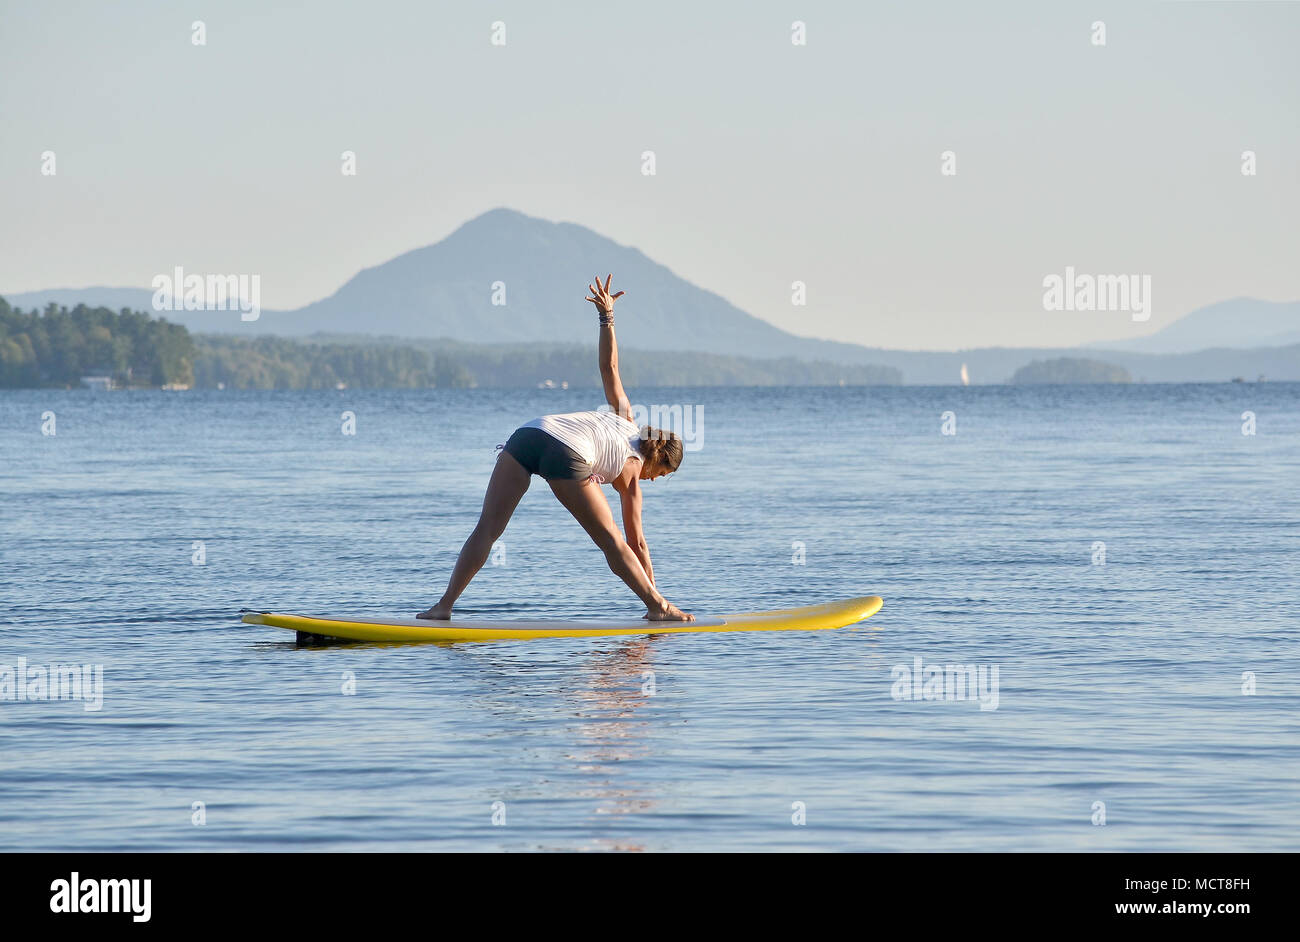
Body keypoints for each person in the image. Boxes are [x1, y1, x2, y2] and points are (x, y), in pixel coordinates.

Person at [417, 275, 694, 622]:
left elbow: (609, 369)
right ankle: (659, 610)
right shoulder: (634, 477)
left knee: (487, 528)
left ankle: (443, 607)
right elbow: (634, 545)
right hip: (568, 452)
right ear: (657, 458)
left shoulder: (626, 418)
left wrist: (606, 317)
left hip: (528, 434)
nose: (654, 480)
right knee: (610, 541)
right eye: (661, 474)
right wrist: (657, 597)